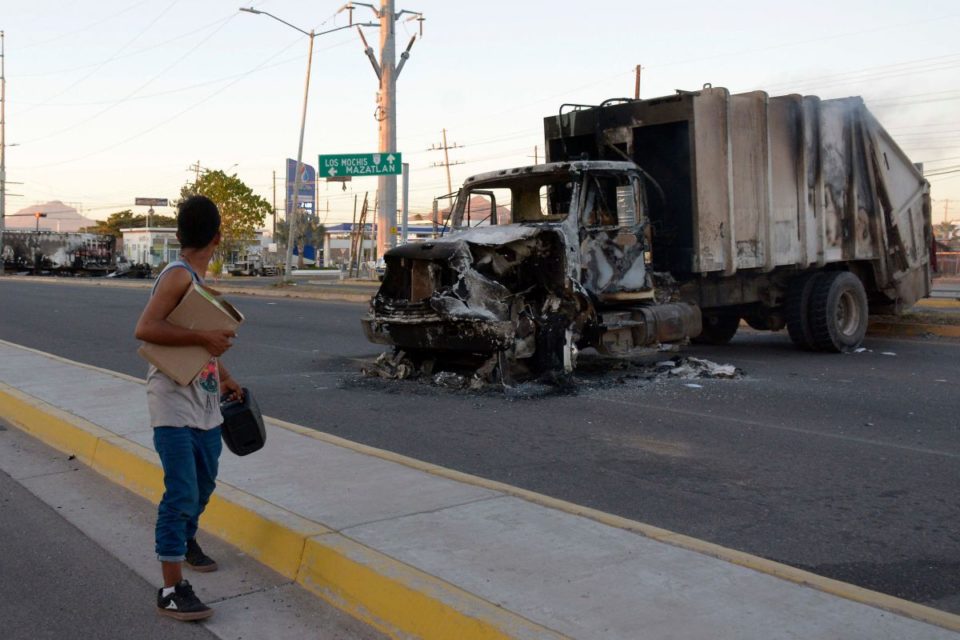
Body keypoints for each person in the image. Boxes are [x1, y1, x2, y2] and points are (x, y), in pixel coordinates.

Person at [134, 194, 243, 621]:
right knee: (181, 492)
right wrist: (203, 341)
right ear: (218, 237)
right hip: (172, 403)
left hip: (205, 399)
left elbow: (202, 340)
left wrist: (227, 376)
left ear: (179, 234)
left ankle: (186, 539)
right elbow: (145, 329)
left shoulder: (196, 281)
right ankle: (171, 588)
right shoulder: (177, 277)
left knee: (204, 484)